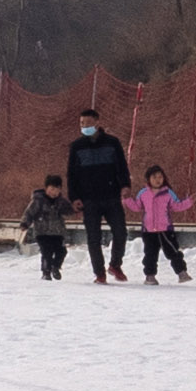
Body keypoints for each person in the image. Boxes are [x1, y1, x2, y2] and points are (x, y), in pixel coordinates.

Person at [65, 107, 131, 283]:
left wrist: (125, 186)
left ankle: (115, 265)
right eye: (81, 123)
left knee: (120, 232)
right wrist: (74, 197)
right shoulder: (76, 146)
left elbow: (122, 167)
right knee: (93, 237)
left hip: (111, 196)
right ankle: (99, 273)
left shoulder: (112, 143)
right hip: (89, 199)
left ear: (97, 123)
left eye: (87, 123)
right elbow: (71, 174)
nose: (84, 126)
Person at [123, 165, 194, 285]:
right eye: (154, 177)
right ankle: (150, 276)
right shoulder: (143, 193)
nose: (158, 180)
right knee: (150, 254)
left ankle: (181, 272)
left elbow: (176, 206)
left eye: (160, 177)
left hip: (165, 230)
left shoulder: (168, 193)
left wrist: (188, 202)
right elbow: (137, 207)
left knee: (173, 251)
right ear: (148, 179)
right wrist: (126, 200)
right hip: (148, 230)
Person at [20, 174, 70, 280]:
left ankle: (55, 267)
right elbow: (29, 212)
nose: (54, 192)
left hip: (57, 232)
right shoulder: (38, 200)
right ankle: (46, 272)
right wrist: (25, 223)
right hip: (42, 232)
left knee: (62, 251)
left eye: (57, 190)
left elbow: (69, 210)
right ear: (46, 188)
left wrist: (76, 208)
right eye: (52, 189)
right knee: (47, 252)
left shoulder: (60, 201)